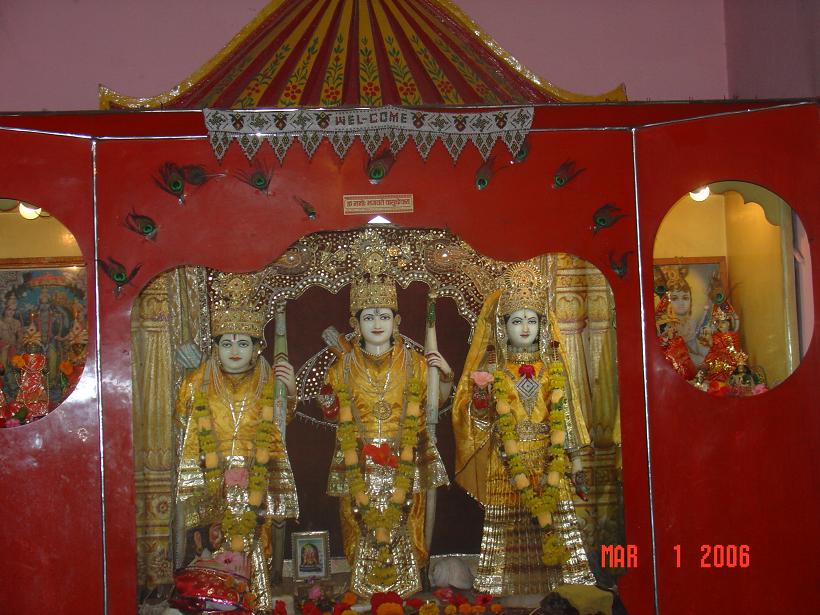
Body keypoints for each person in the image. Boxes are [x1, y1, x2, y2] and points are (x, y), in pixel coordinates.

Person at [452, 261, 595, 600]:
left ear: (543, 326)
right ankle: (508, 590)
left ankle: (563, 590)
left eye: (532, 320)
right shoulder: (495, 371)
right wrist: (481, 397)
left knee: (556, 522)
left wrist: (575, 462)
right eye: (517, 321)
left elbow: (567, 417)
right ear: (504, 328)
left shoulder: (553, 369)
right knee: (508, 525)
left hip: (549, 459)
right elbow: (481, 421)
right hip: (506, 462)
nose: (526, 327)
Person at [318, 260, 453, 598]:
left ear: (397, 322)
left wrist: (446, 377)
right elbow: (332, 413)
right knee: (357, 519)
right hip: (358, 459)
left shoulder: (415, 363)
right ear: (356, 324)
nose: (377, 324)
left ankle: (409, 584)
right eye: (368, 317)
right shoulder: (342, 366)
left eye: (383, 316)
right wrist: (327, 401)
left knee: (408, 518)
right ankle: (363, 586)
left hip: (406, 458)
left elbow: (434, 405)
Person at [174, 273, 298, 612]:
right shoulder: (201, 378)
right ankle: (215, 602)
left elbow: (282, 419)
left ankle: (255, 600)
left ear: (257, 348)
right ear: (215, 348)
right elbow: (181, 418)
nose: (234, 351)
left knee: (256, 539)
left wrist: (289, 391)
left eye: (243, 343)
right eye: (226, 343)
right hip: (212, 476)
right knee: (212, 539)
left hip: (257, 474)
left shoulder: (267, 378)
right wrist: (188, 377)